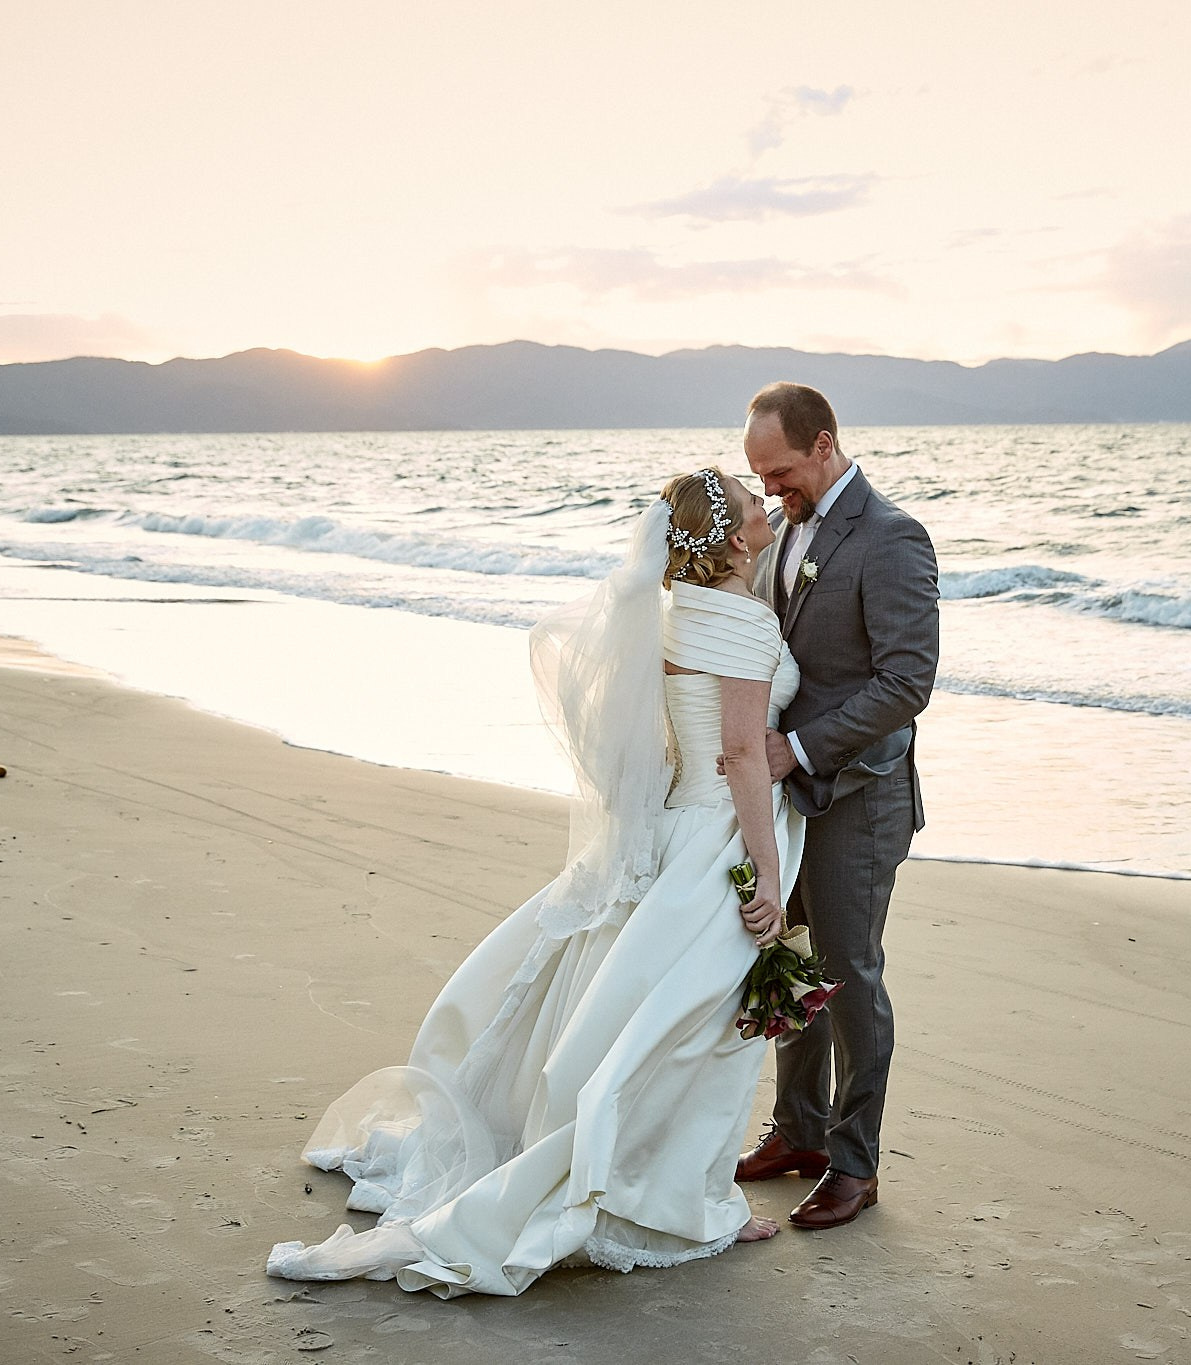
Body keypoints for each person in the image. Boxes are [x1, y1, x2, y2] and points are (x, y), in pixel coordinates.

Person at [266, 467, 803, 1297]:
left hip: (671, 826)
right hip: (716, 837)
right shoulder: (741, 618)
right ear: (735, 538)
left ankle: (687, 1193)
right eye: (748, 497)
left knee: (658, 1018)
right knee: (691, 1028)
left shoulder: (674, 611)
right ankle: (679, 1203)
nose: (761, 501)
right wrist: (766, 871)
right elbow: (738, 753)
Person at [735, 382, 939, 1230]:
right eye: (758, 475)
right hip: (787, 800)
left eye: (780, 470)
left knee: (849, 974)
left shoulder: (892, 537)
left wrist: (800, 747)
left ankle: (855, 1164)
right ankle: (798, 1130)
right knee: (791, 959)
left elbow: (906, 682)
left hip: (860, 793)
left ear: (824, 444)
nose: (771, 488)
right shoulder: (783, 530)